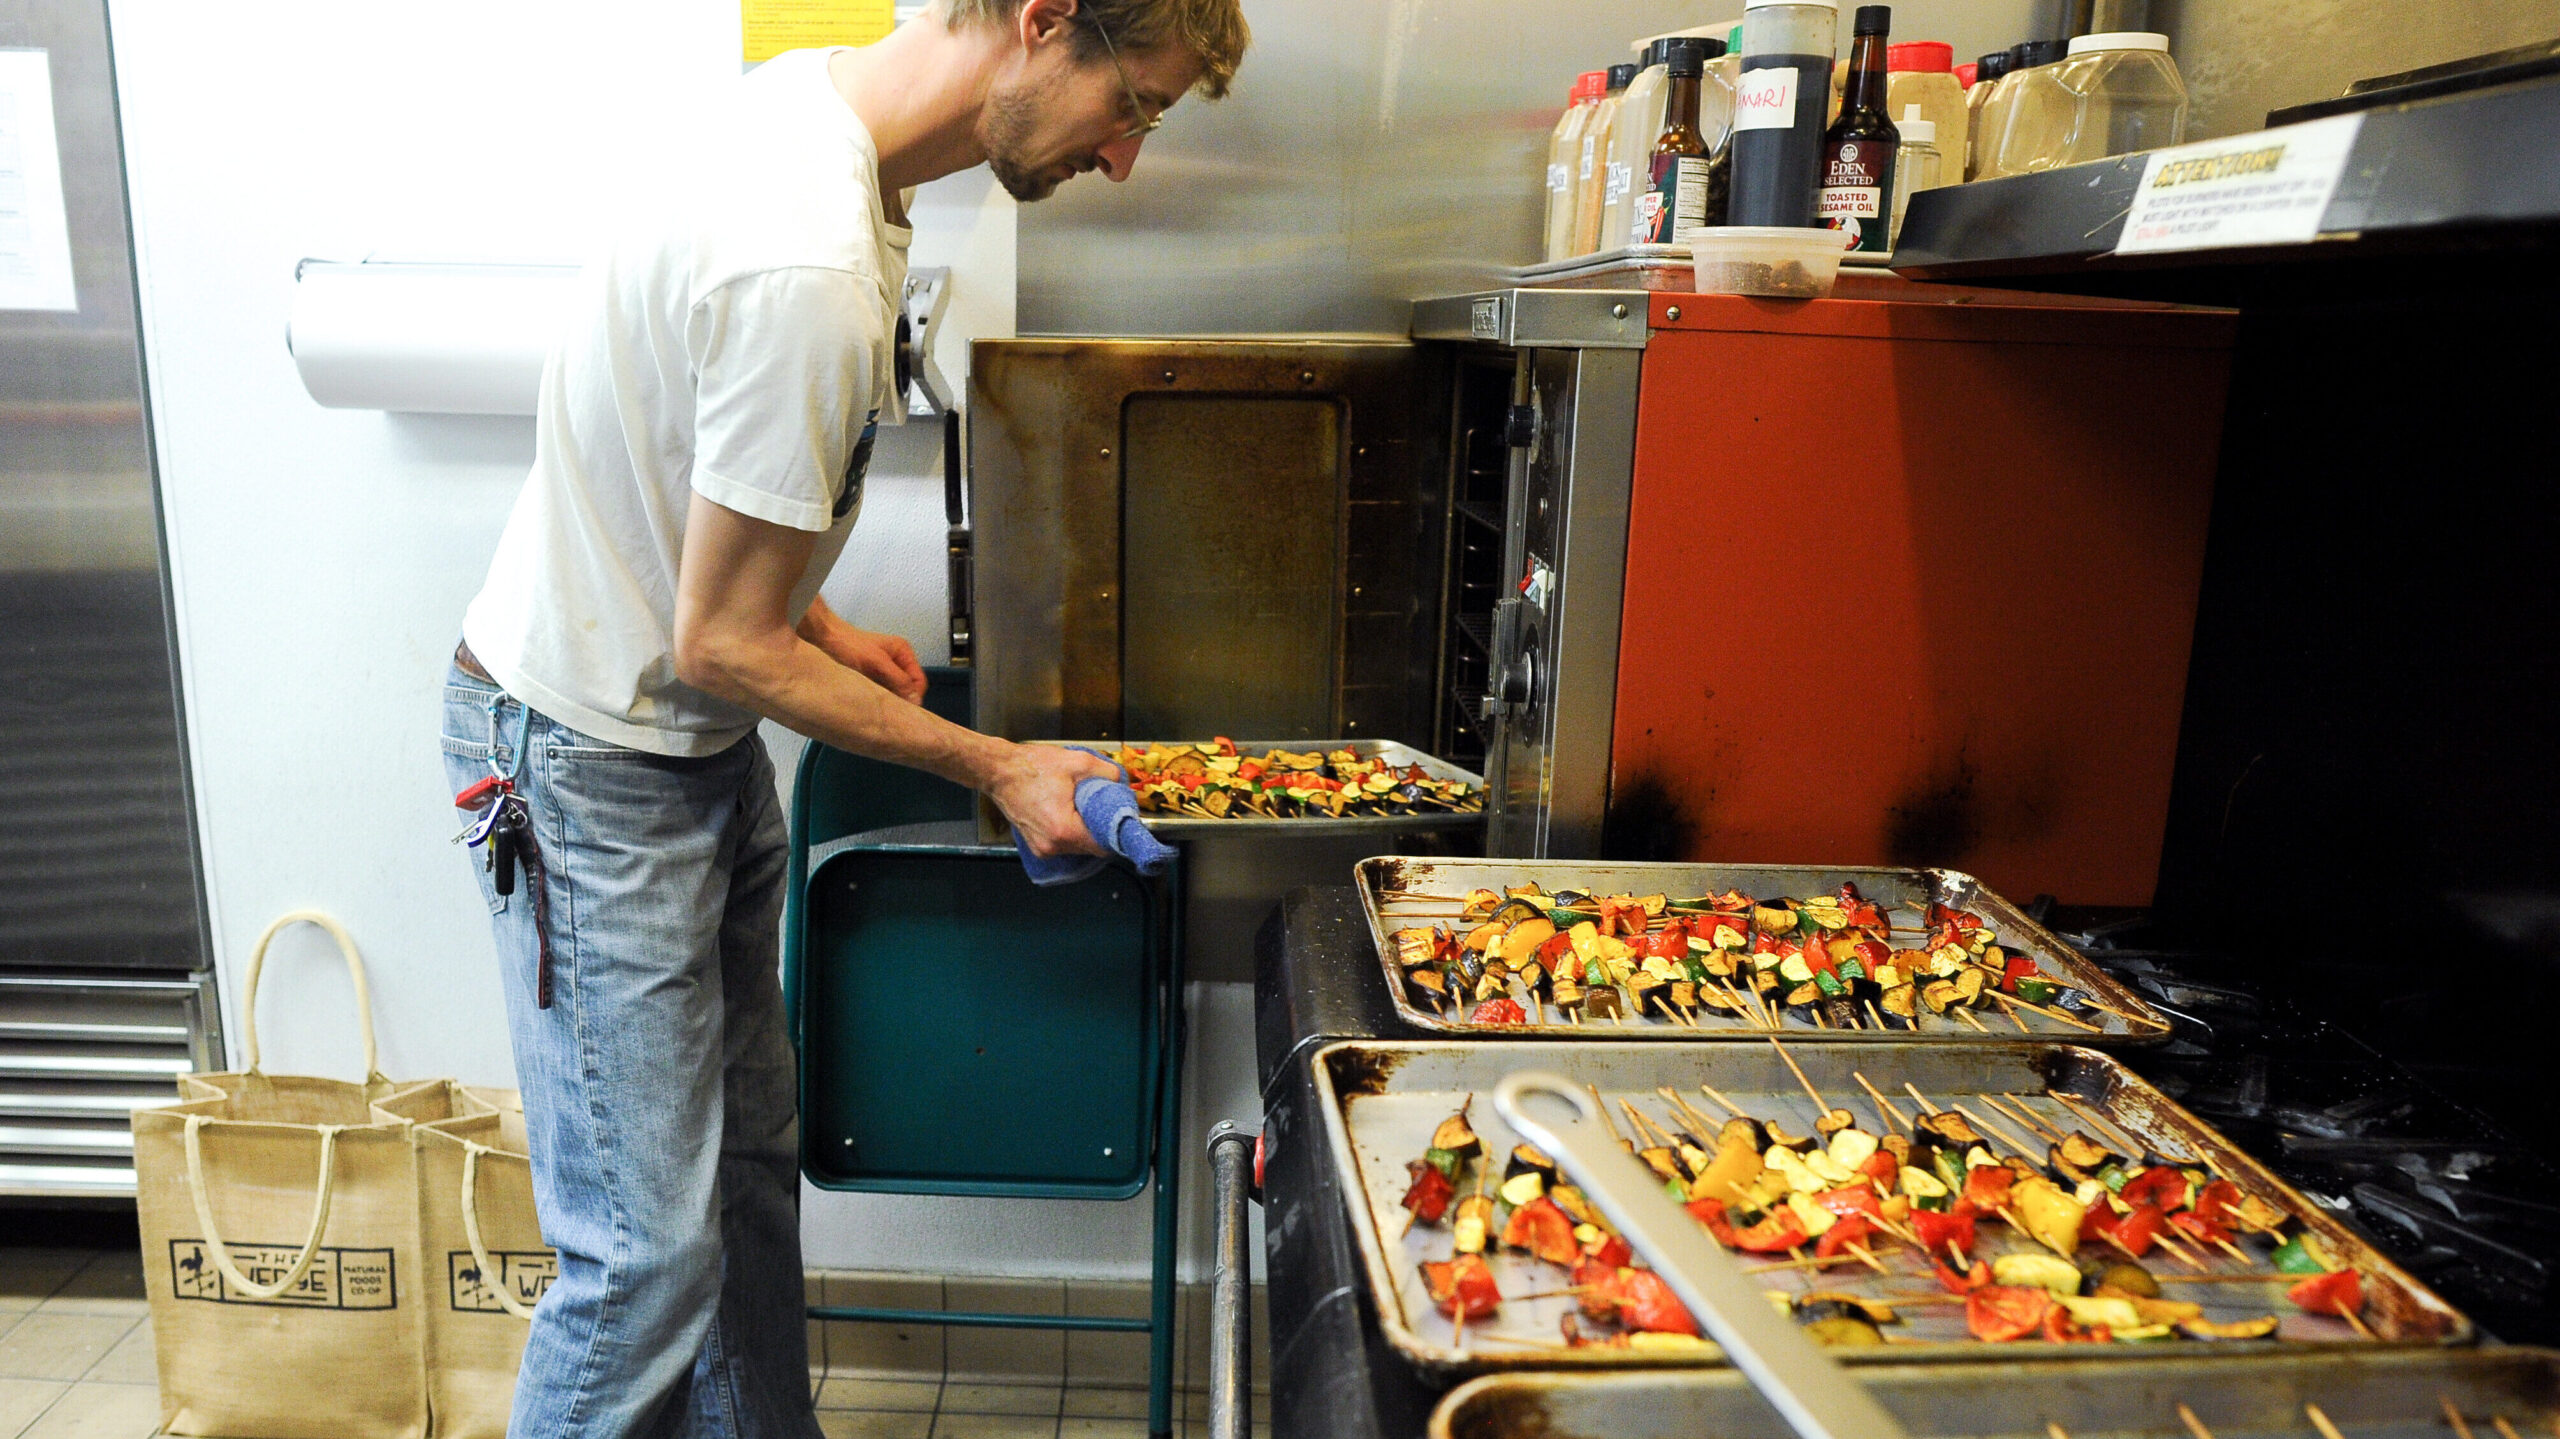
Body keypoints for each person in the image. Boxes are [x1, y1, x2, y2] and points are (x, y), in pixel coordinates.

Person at [435, 1, 1249, 1433]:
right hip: (584, 765)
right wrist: (997, 765)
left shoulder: (815, 123)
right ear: (1045, 22)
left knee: (745, 1180)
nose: (1124, 157)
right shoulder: (804, 253)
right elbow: (715, 641)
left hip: (680, 748)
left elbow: (682, 456)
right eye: (1135, 103)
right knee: (640, 1262)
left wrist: (810, 619)